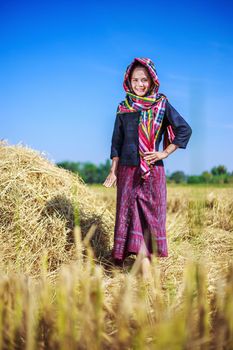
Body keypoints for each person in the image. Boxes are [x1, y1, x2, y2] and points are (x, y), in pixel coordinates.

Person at [103, 57, 192, 278]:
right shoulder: (123, 107)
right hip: (127, 171)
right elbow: (117, 142)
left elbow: (184, 130)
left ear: (152, 81)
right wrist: (113, 170)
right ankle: (131, 267)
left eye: (144, 80)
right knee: (128, 215)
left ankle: (147, 269)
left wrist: (164, 152)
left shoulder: (162, 104)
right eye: (135, 80)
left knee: (151, 218)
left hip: (153, 171)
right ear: (128, 81)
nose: (140, 84)